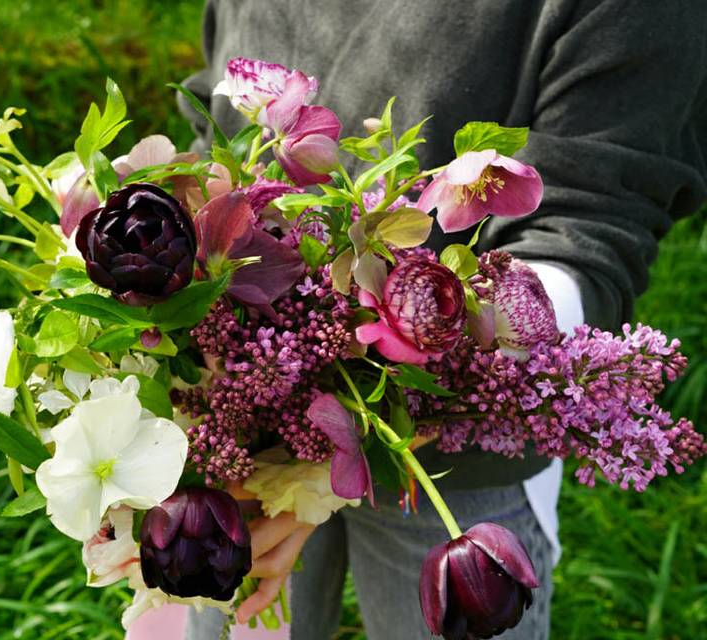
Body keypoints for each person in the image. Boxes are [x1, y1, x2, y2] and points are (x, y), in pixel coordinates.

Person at [128, 2, 707, 638]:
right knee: (236, 617)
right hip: (233, 407)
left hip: (459, 451)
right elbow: (214, 117)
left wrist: (389, 397)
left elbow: (593, 220)